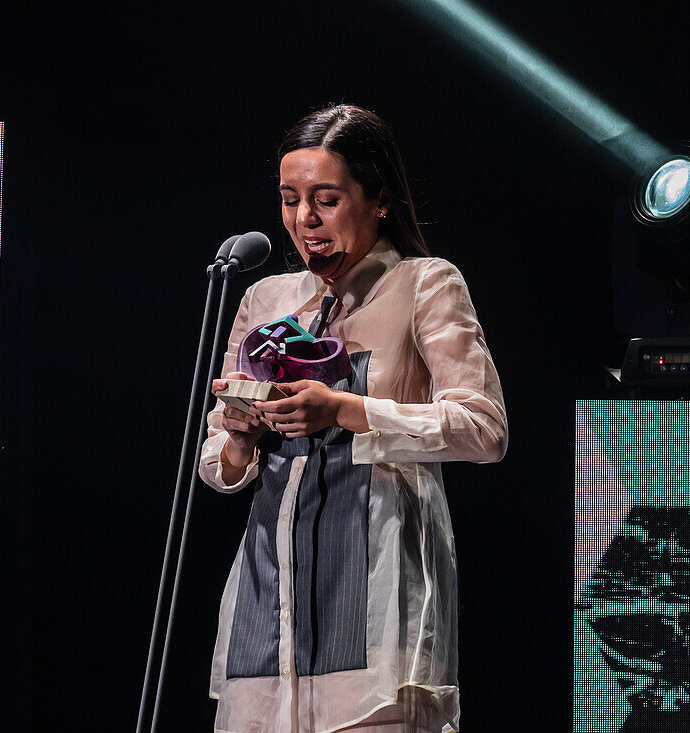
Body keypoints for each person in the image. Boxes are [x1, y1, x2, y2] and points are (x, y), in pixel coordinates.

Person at [199, 104, 507, 733]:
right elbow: (218, 468)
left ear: (379, 199)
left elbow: (484, 428)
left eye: (326, 199)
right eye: (289, 200)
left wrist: (345, 408)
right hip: (269, 603)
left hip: (373, 607)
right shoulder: (267, 299)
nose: (303, 221)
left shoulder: (424, 285)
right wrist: (238, 437)